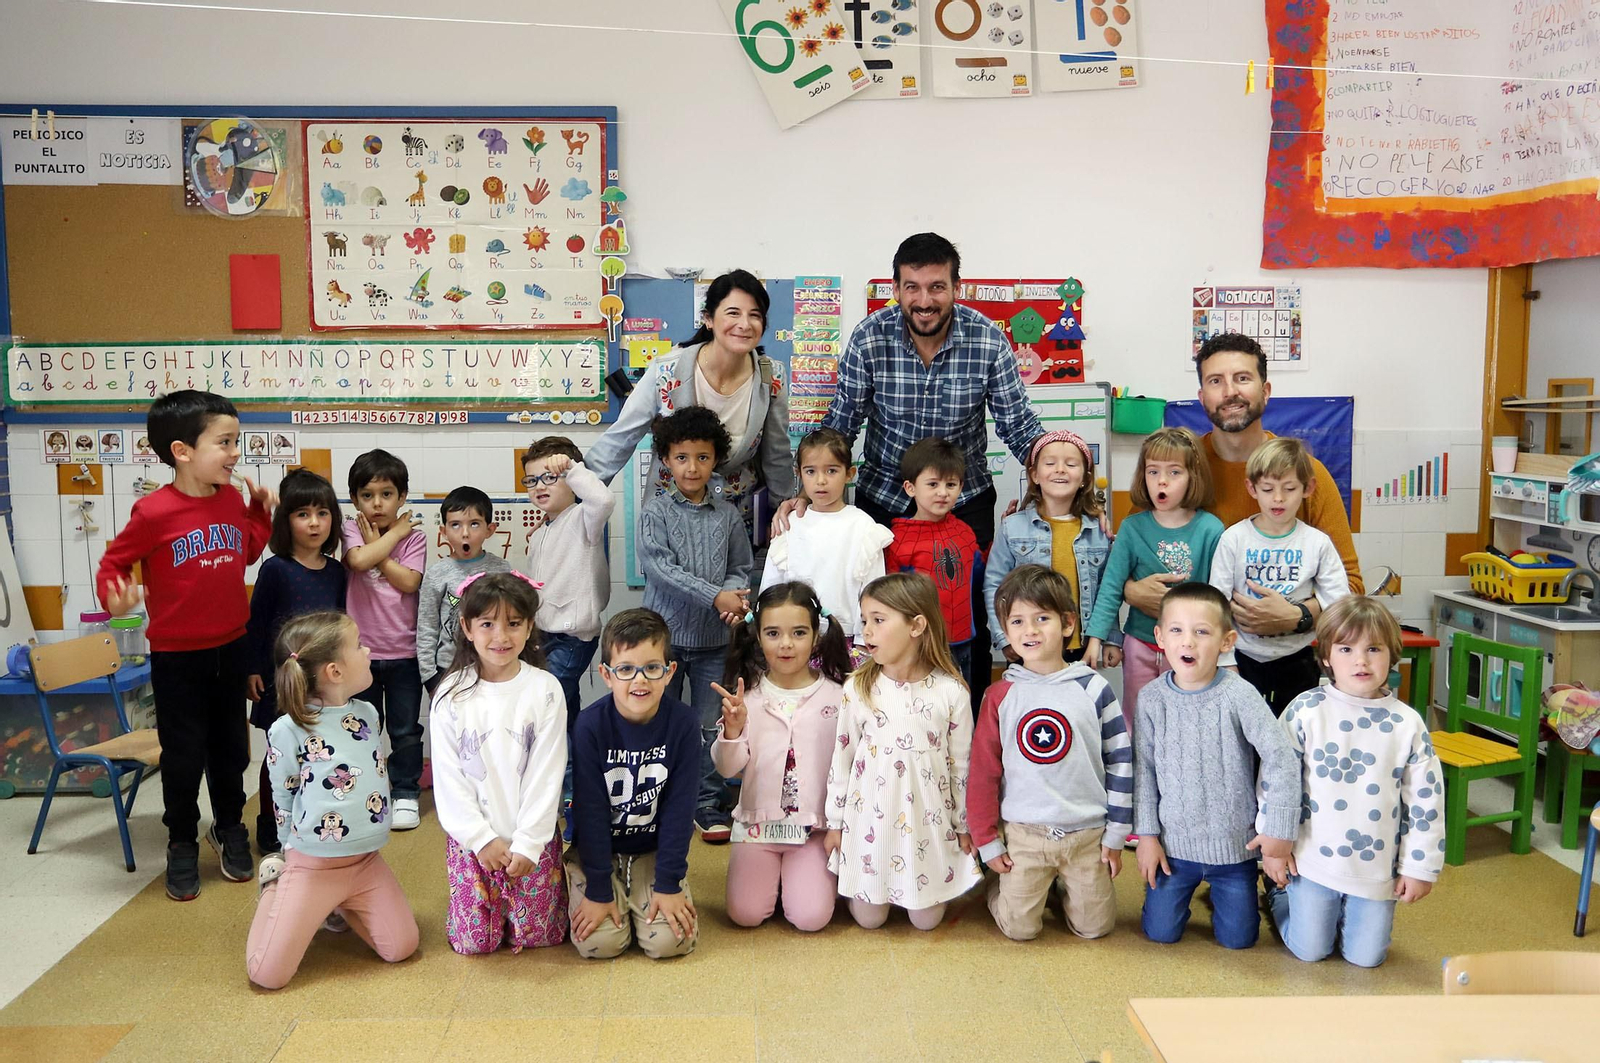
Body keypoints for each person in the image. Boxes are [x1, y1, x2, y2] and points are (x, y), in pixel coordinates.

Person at [778, 233, 1045, 702]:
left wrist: (1069, 487)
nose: (925, 300)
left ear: (956, 288)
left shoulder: (987, 340)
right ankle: (886, 725)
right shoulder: (869, 336)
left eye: (937, 287)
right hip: (884, 504)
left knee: (971, 623)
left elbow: (1019, 426)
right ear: (896, 289)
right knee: (886, 621)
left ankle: (971, 735)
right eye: (912, 287)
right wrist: (806, 488)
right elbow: (842, 424)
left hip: (963, 504)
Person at [97, 390, 273, 901]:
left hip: (231, 646)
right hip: (177, 657)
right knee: (182, 755)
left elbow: (245, 554)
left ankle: (229, 829)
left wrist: (259, 514)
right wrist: (115, 594)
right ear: (182, 450)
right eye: (225, 442)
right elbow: (113, 564)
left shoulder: (231, 500)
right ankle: (180, 840)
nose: (236, 452)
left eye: (236, 441)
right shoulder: (153, 512)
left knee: (231, 749)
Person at [1125, 333, 1363, 642]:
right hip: (1193, 656)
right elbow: (1124, 553)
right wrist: (1131, 590)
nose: (1230, 392)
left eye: (1242, 378)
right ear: (1201, 397)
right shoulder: (1172, 468)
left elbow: (1351, 585)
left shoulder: (1305, 473)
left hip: (1283, 655)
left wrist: (1300, 615)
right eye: (1215, 381)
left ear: (1265, 391)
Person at [1263, 596, 1445, 967]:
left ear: (1392, 655)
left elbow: (1427, 801)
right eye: (1346, 648)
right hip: (1311, 858)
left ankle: (1339, 912)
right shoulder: (1305, 710)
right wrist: (1274, 845)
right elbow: (1275, 779)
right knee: (1310, 950)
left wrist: (1419, 868)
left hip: (1375, 867)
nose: (1360, 660)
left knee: (1367, 958)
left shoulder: (1407, 723)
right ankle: (1279, 896)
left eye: (1373, 649)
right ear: (1327, 656)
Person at [246, 611, 419, 989]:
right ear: (334, 672)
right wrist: (286, 847)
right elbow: (283, 792)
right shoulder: (288, 728)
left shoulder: (369, 713)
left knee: (402, 947)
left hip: (365, 862)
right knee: (267, 975)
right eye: (358, 646)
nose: (368, 650)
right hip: (311, 867)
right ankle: (275, 887)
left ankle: (339, 904)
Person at [1131, 583, 1299, 949]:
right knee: (1160, 933)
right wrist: (1146, 836)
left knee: (1238, 940)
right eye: (1176, 630)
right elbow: (1143, 770)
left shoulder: (1240, 694)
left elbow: (1281, 757)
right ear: (1160, 636)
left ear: (1227, 641)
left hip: (1234, 849)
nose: (1187, 642)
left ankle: (1271, 894)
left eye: (1201, 632)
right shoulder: (1151, 699)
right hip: (1173, 850)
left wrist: (1279, 834)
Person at [969, 565, 1131, 942]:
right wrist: (987, 840)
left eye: (1043, 618)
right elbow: (983, 773)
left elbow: (1121, 760)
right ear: (1005, 632)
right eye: (1018, 621)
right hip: (1025, 833)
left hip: (1087, 833)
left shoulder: (1094, 689)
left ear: (1068, 623)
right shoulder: (1000, 696)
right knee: (1020, 929)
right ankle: (1002, 888)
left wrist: (1117, 835)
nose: (1031, 630)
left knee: (1094, 928)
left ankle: (1059, 889)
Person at [586, 268, 795, 546]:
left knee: (733, 590)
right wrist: (572, 495)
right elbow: (621, 437)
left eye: (754, 315)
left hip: (736, 523)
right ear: (708, 319)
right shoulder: (667, 370)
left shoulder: (772, 377)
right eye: (733, 313)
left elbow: (777, 454)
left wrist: (787, 512)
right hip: (671, 517)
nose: (744, 324)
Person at [823, 572, 983, 930]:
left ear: (917, 625)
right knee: (869, 920)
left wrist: (963, 825)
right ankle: (869, 887)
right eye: (865, 620)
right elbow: (843, 758)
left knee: (926, 921)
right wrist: (835, 822)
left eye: (879, 620)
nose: (867, 631)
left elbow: (962, 767)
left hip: (926, 822)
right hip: (870, 824)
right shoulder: (858, 688)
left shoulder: (951, 692)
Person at [431, 572, 569, 955]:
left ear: (529, 627)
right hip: (474, 843)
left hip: (532, 839)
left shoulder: (545, 689)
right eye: (487, 624)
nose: (500, 637)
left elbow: (547, 773)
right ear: (467, 627)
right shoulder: (451, 694)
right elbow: (449, 777)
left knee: (540, 936)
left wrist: (528, 843)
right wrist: (480, 839)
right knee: (475, 943)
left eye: (513, 624)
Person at [637, 405, 754, 844]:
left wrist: (732, 598)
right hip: (661, 642)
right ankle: (654, 798)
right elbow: (661, 570)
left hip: (713, 641)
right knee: (657, 720)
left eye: (702, 457)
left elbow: (741, 567)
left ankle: (706, 803)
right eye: (682, 457)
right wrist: (714, 596)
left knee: (710, 726)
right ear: (666, 460)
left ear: (715, 460)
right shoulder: (655, 513)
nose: (692, 466)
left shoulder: (726, 515)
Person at [711, 581, 851, 932]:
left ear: (816, 635)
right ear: (757, 636)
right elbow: (727, 767)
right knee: (745, 914)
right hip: (757, 828)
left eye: (798, 632)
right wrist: (732, 731)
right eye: (773, 633)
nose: (785, 644)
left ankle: (799, 881)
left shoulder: (839, 697)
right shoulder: (747, 696)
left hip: (813, 830)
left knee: (810, 918)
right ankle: (773, 883)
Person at [566, 609, 699, 960]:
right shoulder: (590, 726)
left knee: (669, 943)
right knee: (601, 944)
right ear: (606, 675)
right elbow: (590, 812)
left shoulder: (684, 724)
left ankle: (646, 888)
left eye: (652, 668)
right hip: (598, 849)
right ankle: (597, 884)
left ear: (669, 672)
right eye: (625, 669)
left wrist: (669, 884)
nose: (639, 681)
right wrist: (598, 889)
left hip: (652, 849)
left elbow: (680, 810)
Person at [1084, 427, 1223, 731]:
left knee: (1188, 718)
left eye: (1174, 472)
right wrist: (1099, 638)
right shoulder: (1133, 528)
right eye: (1153, 471)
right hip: (1141, 644)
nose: (1161, 481)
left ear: (1193, 476)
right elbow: (1111, 587)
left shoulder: (1211, 529)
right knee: (1137, 719)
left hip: (1191, 647)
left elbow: (1218, 596)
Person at [1208, 437, 1351, 714]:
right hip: (1242, 658)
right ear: (1251, 488)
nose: (1278, 498)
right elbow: (1217, 605)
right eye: (1268, 488)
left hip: (1297, 660)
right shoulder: (1233, 539)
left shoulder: (1317, 543)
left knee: (1293, 738)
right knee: (1244, 742)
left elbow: (1339, 603)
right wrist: (1224, 661)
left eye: (1289, 488)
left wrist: (1333, 657)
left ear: (1307, 488)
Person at [245, 469, 347, 857]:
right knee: (280, 757)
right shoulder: (274, 569)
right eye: (303, 514)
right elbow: (255, 625)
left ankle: (312, 823)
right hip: (280, 682)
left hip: (321, 685)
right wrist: (252, 669)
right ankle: (269, 827)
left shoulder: (337, 572)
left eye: (322, 513)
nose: (314, 522)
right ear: (285, 520)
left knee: (318, 755)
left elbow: (338, 629)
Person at [343, 449, 428, 831]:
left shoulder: (417, 538)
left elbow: (409, 581)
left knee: (405, 728)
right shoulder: (351, 529)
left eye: (387, 494)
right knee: (360, 727)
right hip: (359, 656)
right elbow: (357, 562)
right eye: (367, 495)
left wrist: (380, 546)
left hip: (405, 653)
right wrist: (394, 533)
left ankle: (406, 792)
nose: (377, 503)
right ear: (354, 498)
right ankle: (363, 791)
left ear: (402, 496)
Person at [983, 429, 1115, 666]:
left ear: (1085, 477)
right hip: (1028, 645)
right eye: (1050, 463)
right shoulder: (1012, 527)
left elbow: (1109, 591)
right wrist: (1003, 637)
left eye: (1071, 464)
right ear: (1034, 474)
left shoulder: (1098, 532)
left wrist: (1111, 637)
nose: (1060, 469)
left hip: (1079, 648)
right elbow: (994, 584)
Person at [760, 427, 891, 659]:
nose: (821, 481)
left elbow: (875, 592)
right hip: (793, 638)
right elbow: (771, 587)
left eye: (831, 470)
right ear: (798, 473)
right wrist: (769, 633)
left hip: (848, 641)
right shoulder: (789, 524)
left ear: (849, 474)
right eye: (811, 471)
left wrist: (865, 642)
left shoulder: (862, 526)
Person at [884, 437, 984, 686]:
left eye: (951, 484)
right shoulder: (897, 540)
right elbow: (891, 598)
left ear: (961, 487)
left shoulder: (965, 532)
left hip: (962, 641)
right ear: (910, 488)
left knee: (960, 706)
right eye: (932, 484)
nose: (942, 492)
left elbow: (980, 575)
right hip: (919, 644)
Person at [417, 485, 510, 692]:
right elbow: (427, 627)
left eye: (475, 524)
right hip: (448, 669)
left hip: (493, 666)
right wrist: (429, 677)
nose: (465, 534)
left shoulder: (501, 569)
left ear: (490, 529)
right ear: (444, 531)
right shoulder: (436, 574)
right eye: (456, 525)